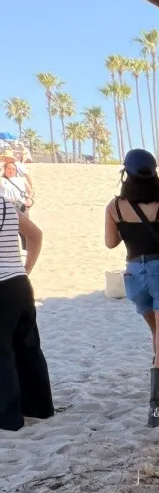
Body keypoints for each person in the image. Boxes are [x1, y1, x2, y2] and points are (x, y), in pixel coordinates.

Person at [104, 149, 159, 426]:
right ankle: (157, 411)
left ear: (126, 174)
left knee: (158, 336)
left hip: (133, 274)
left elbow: (110, 243)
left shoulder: (115, 206)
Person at [0, 175, 53, 432]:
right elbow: (36, 234)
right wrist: (26, 267)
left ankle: (9, 419)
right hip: (19, 284)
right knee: (29, 347)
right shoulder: (5, 204)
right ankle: (40, 408)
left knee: (2, 353)